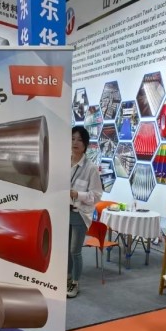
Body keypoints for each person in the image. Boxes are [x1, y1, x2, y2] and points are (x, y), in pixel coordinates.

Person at [68, 125, 102, 298]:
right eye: (72, 138)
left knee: (75, 250)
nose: (75, 142)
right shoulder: (64, 162)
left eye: (79, 140)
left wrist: (77, 194)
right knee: (65, 249)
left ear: (86, 144)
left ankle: (75, 283)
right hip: (63, 213)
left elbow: (96, 196)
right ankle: (67, 277)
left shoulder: (91, 168)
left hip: (80, 214)